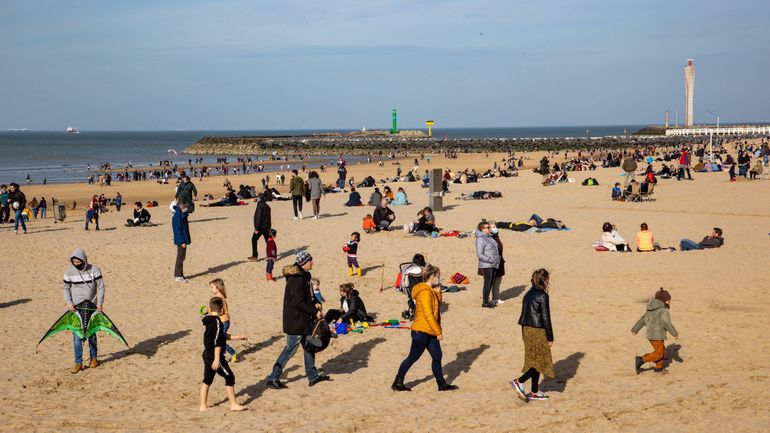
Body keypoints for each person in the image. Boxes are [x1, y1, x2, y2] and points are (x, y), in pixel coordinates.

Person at [266, 251, 330, 389]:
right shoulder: (296, 278)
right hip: (295, 320)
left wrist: (315, 303)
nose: (313, 263)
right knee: (290, 349)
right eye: (310, 261)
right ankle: (273, 377)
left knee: (309, 347)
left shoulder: (306, 275)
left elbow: (308, 297)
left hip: (304, 319)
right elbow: (298, 301)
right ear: (304, 262)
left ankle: (312, 376)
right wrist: (314, 312)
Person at [391, 264, 458, 392]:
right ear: (432, 277)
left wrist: (438, 293)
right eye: (437, 276)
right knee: (413, 357)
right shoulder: (425, 292)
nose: (439, 279)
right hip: (421, 331)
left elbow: (436, 307)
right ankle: (397, 382)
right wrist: (438, 332)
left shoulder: (431, 291)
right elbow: (429, 314)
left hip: (429, 330)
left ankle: (441, 384)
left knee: (437, 356)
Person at [510, 269, 555, 402]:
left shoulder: (528, 293)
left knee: (535, 359)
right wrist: (550, 337)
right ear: (545, 281)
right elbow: (546, 317)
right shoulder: (543, 296)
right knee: (540, 361)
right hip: (537, 330)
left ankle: (534, 391)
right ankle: (519, 381)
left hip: (526, 329)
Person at [199, 296, 247, 412]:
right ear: (221, 310)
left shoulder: (208, 319)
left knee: (207, 380)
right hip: (214, 356)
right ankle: (233, 404)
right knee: (230, 377)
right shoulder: (218, 323)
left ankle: (203, 406)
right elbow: (217, 342)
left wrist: (237, 337)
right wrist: (216, 359)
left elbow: (222, 336)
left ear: (211, 308)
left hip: (206, 354)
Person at [63, 248, 105, 374]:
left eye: (78, 261)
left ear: (84, 260)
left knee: (91, 333)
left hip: (92, 306)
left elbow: (101, 287)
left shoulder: (94, 269)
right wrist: (69, 303)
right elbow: (66, 288)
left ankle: (93, 359)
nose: (76, 264)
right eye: (74, 262)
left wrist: (100, 304)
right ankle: (78, 363)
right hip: (76, 307)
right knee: (77, 335)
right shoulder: (69, 272)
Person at [632, 288, 678, 374]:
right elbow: (666, 323)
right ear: (665, 301)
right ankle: (641, 360)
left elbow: (643, 319)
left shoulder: (651, 308)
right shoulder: (663, 310)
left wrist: (635, 329)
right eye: (668, 300)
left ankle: (658, 368)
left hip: (650, 334)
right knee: (659, 353)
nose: (670, 301)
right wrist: (674, 333)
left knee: (661, 350)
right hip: (657, 335)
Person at [209, 279, 239, 362]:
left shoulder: (220, 299)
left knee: (219, 341)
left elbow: (220, 311)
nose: (211, 289)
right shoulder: (218, 298)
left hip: (224, 322)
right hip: (222, 322)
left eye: (212, 287)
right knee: (219, 339)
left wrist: (210, 314)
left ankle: (232, 353)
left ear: (217, 288)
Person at [475, 221, 500, 308]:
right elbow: (479, 254)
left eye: (489, 227)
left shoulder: (489, 237)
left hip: (494, 263)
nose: (490, 229)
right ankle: (485, 302)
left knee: (491, 282)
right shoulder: (480, 239)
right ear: (482, 229)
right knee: (488, 283)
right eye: (487, 227)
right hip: (487, 264)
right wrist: (490, 260)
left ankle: (487, 301)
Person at [248, 193, 271, 261]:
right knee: (268, 241)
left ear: (259, 198)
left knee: (254, 239)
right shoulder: (267, 206)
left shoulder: (260, 206)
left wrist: (257, 228)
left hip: (261, 227)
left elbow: (258, 217)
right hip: (266, 226)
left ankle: (255, 256)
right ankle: (271, 256)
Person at [172, 201, 191, 283]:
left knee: (182, 257)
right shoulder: (177, 216)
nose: (186, 209)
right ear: (181, 207)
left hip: (184, 239)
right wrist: (182, 241)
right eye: (184, 207)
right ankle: (178, 276)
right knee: (180, 257)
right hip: (181, 240)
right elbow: (177, 231)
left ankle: (180, 274)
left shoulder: (182, 215)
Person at [488, 221, 506, 305]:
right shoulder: (488, 238)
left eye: (495, 227)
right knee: (490, 282)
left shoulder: (496, 237)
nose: (494, 228)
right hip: (492, 263)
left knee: (498, 282)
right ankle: (488, 299)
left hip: (499, 262)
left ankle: (496, 298)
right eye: (492, 227)